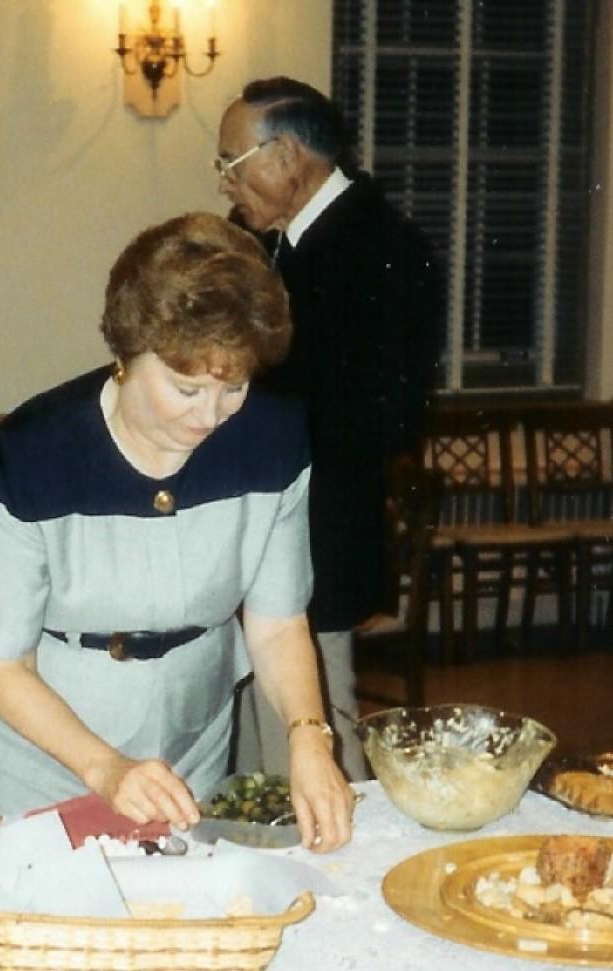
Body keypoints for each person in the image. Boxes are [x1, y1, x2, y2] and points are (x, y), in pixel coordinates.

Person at [0, 212, 354, 852]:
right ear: (126, 353)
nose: (212, 416)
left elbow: (277, 624)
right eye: (186, 388)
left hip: (190, 744)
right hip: (44, 759)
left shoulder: (274, 439)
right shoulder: (34, 454)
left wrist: (309, 736)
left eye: (235, 387)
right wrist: (105, 769)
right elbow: (2, 664)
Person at [217, 78, 441, 781]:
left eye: (230, 162)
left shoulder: (382, 247)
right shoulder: (267, 242)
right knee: (255, 729)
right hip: (258, 521)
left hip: (322, 528)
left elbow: (389, 417)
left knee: (321, 724)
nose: (223, 181)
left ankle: (348, 875)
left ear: (285, 155)